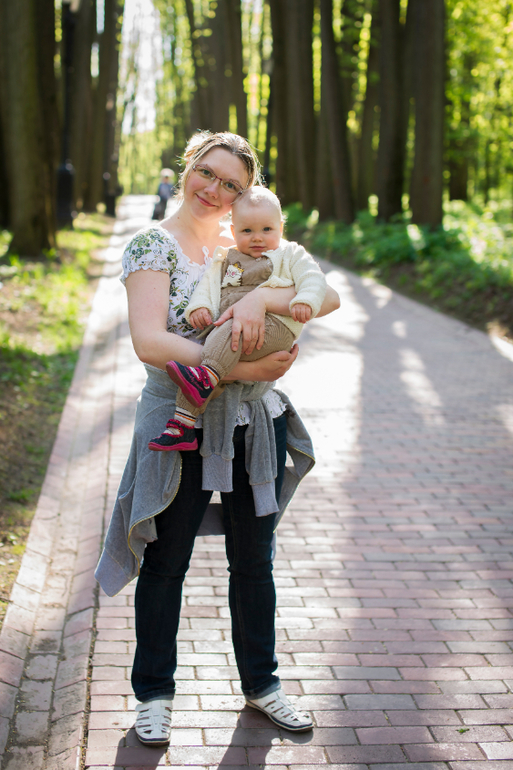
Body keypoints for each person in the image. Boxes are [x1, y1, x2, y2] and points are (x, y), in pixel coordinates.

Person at [94, 131, 340, 747]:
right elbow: (150, 342)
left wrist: (259, 300)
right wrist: (243, 366)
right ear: (188, 167)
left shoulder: (253, 242)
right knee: (166, 562)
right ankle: (154, 695)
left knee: (254, 561)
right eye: (208, 172)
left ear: (246, 196)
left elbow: (327, 295)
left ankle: (263, 685)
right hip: (181, 422)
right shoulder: (154, 245)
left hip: (253, 423)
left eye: (232, 184)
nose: (215, 189)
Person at [148, 186, 327, 452]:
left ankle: (205, 377)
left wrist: (304, 300)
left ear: (281, 227)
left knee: (225, 339)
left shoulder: (290, 254)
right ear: (233, 232)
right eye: (247, 231)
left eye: (267, 229)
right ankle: (182, 426)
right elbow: (208, 286)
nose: (257, 238)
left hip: (275, 327)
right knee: (208, 350)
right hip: (231, 333)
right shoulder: (226, 258)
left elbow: (313, 278)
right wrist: (200, 307)